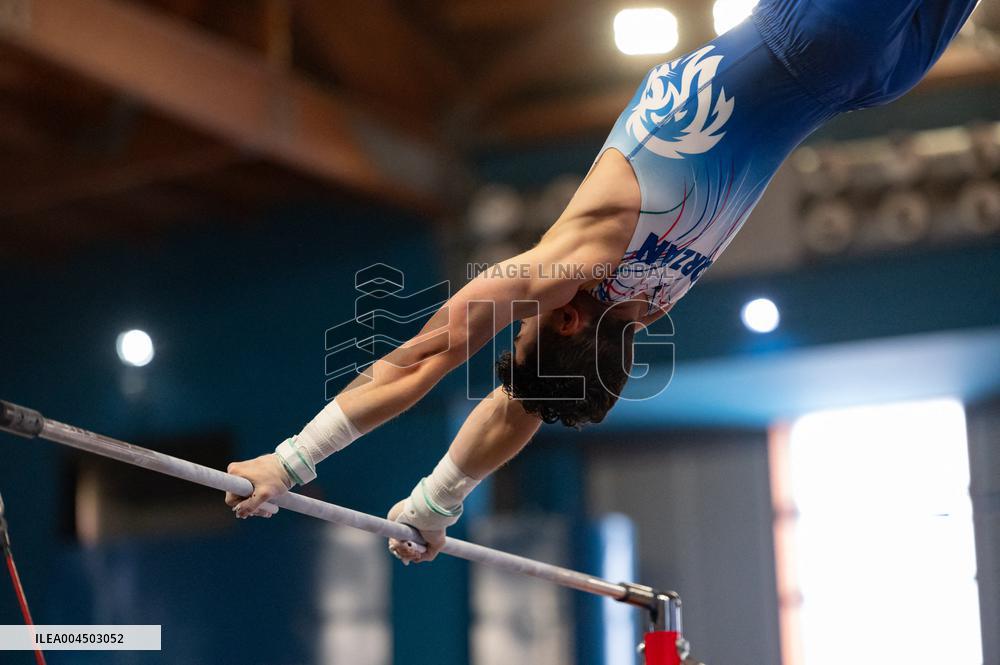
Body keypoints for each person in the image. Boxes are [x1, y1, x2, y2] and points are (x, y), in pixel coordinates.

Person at [225, 0, 980, 563]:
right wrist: (290, 462)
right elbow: (421, 361)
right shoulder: (573, 260)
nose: (520, 317)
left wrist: (435, 501)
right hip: (816, 34)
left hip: (877, 77)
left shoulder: (648, 303)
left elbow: (527, 401)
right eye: (525, 328)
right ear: (562, 319)